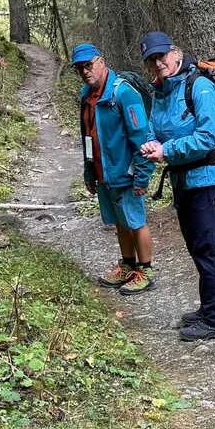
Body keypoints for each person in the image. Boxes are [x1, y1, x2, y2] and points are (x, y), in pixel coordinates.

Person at [138, 31, 215, 342]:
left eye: (162, 55)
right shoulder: (161, 91)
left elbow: (208, 138)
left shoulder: (200, 86)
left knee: (207, 248)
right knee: (196, 247)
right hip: (182, 179)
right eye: (152, 59)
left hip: (207, 180)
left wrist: (167, 151)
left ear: (176, 53)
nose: (158, 62)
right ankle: (209, 308)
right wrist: (151, 144)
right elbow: (155, 127)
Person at [73, 43, 158, 296]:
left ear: (101, 61)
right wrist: (90, 172)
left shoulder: (123, 93)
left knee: (136, 221)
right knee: (121, 223)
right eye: (80, 68)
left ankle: (146, 269)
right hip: (104, 174)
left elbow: (143, 137)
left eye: (88, 65)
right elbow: (87, 136)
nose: (85, 72)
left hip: (126, 173)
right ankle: (128, 265)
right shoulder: (87, 96)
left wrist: (142, 176)